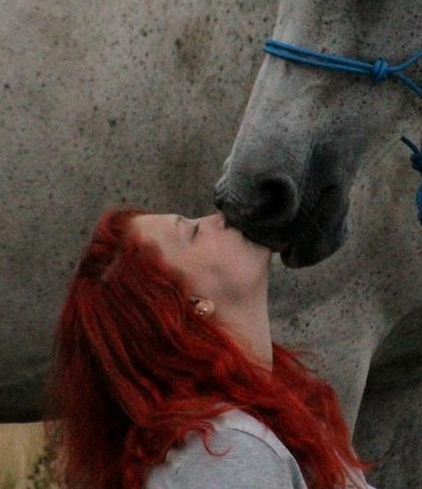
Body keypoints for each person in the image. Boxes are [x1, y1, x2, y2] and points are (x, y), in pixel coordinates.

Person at [41, 206, 380, 488]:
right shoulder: (225, 451)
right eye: (192, 232)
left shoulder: (260, 424)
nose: (220, 217)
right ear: (189, 306)